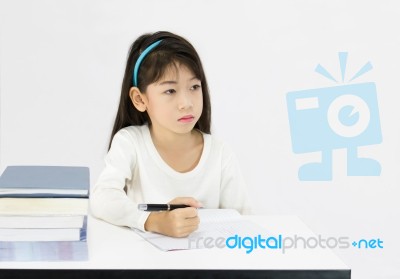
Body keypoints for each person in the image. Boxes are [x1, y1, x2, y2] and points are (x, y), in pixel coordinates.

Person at [90, 31, 251, 238]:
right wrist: (154, 220)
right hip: (145, 266)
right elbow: (102, 198)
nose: (187, 103)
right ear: (139, 99)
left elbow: (243, 220)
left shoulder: (220, 153)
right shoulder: (130, 143)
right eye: (170, 91)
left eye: (194, 87)